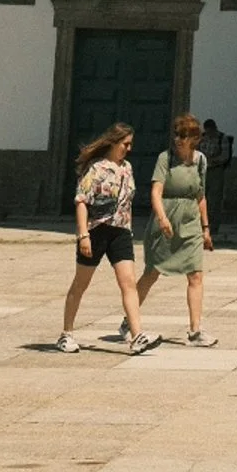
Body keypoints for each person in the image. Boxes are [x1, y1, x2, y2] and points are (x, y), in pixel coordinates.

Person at [55, 124, 160, 355]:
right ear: (113, 143)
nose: (129, 149)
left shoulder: (127, 168)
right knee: (81, 283)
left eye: (130, 144)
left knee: (128, 282)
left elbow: (127, 203)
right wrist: (83, 235)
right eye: (125, 144)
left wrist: (129, 230)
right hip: (95, 231)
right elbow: (82, 200)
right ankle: (66, 333)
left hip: (120, 232)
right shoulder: (96, 168)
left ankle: (137, 335)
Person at [114, 115, 215, 346]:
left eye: (184, 136)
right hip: (166, 222)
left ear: (195, 139)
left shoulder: (200, 161)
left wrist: (206, 228)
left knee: (196, 274)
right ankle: (128, 321)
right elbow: (156, 192)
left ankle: (196, 330)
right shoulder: (165, 158)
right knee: (152, 272)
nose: (179, 139)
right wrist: (162, 218)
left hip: (190, 223)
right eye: (177, 134)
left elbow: (201, 196)